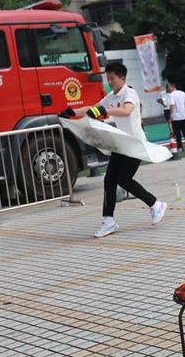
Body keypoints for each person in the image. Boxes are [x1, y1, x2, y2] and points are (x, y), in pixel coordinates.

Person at [63, 62, 167, 238]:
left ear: (122, 78)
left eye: (112, 78)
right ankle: (108, 221)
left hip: (135, 145)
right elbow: (93, 108)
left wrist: (105, 110)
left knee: (124, 180)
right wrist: (72, 112)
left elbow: (126, 111)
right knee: (109, 180)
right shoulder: (111, 96)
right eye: (107, 78)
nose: (109, 81)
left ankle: (156, 204)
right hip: (120, 144)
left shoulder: (130, 93)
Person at [167, 82, 185, 151]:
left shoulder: (172, 95)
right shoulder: (181, 92)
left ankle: (180, 147)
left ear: (172, 87)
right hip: (183, 115)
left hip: (176, 117)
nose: (168, 89)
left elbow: (172, 105)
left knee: (177, 133)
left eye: (168, 87)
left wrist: (170, 116)